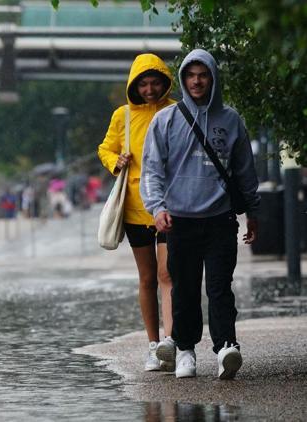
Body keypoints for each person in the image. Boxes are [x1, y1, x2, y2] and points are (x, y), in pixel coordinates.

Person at [140, 49, 260, 380]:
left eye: (203, 74)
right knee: (185, 288)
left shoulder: (231, 120)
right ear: (183, 79)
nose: (196, 80)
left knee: (220, 287)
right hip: (180, 221)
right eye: (191, 75)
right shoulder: (165, 120)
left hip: (220, 218)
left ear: (212, 77)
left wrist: (252, 212)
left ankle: (226, 348)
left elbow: (245, 171)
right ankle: (185, 350)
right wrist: (157, 207)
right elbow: (152, 170)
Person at [98, 53, 175, 372]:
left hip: (170, 206)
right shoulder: (123, 116)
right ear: (134, 85)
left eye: (155, 81)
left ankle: (171, 342)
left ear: (165, 81)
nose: (149, 88)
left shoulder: (176, 111)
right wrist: (116, 161)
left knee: (167, 275)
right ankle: (153, 344)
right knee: (146, 279)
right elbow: (105, 148)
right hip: (133, 207)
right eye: (143, 83)